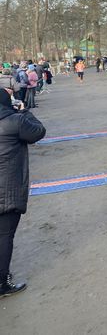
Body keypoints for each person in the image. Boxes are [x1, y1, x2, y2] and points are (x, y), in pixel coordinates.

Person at [0, 88, 46, 298]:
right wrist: (25, 110)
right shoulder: (14, 121)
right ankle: (2, 283)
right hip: (7, 190)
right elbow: (38, 131)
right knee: (4, 237)